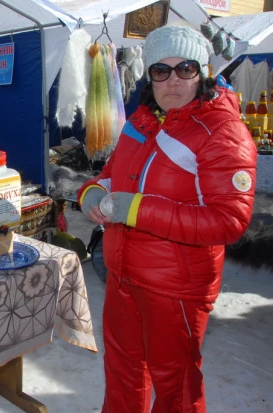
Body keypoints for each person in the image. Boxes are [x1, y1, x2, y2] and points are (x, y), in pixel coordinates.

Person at [78, 25, 256, 412]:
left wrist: (135, 209)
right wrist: (92, 191)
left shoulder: (223, 131)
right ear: (149, 77)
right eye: (161, 70)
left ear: (203, 73)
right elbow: (112, 173)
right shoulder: (141, 121)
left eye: (185, 69)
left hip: (175, 287)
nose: (172, 80)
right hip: (123, 274)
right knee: (123, 374)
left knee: (175, 388)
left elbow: (228, 220)